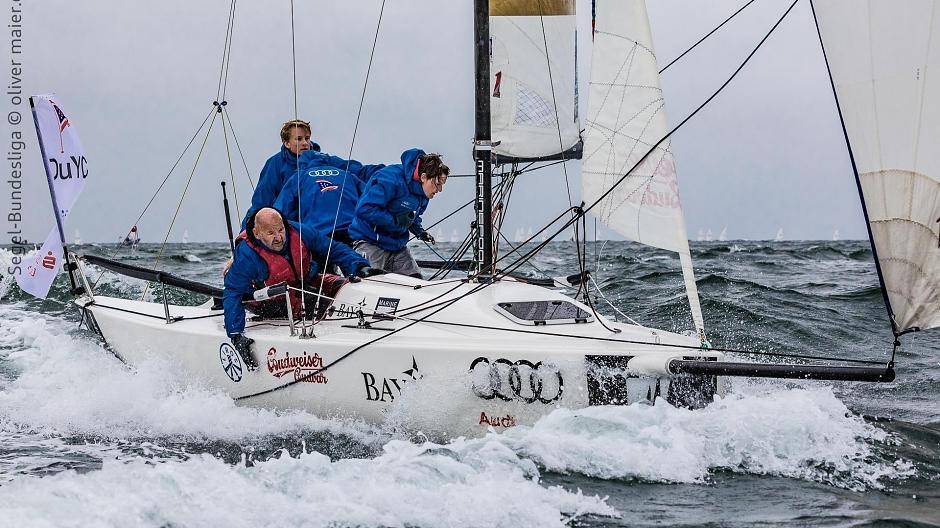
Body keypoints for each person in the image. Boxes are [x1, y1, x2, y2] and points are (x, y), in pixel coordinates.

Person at [224, 207, 376, 369]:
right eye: (270, 233)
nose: (278, 237)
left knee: (343, 286)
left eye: (280, 230)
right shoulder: (247, 254)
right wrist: (236, 335)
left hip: (305, 281)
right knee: (317, 303)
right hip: (270, 298)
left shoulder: (297, 231)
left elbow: (333, 248)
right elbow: (233, 292)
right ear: (257, 233)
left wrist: (359, 266)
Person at [348, 149, 448, 278]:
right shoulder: (389, 179)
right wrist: (394, 221)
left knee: (416, 281)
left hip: (397, 246)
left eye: (442, 184)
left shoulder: (424, 194)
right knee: (371, 283)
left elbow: (412, 216)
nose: (440, 189)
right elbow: (365, 209)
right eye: (437, 183)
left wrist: (420, 232)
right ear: (423, 177)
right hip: (370, 242)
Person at [275, 159, 385, 246]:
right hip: (352, 232)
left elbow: (281, 210)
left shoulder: (298, 177)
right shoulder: (347, 174)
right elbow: (370, 199)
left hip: (318, 235)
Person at [241, 119, 320, 229]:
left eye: (307, 138)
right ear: (287, 143)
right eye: (299, 139)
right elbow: (262, 199)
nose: (305, 143)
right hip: (281, 223)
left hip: (313, 223)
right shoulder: (275, 164)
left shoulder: (320, 162)